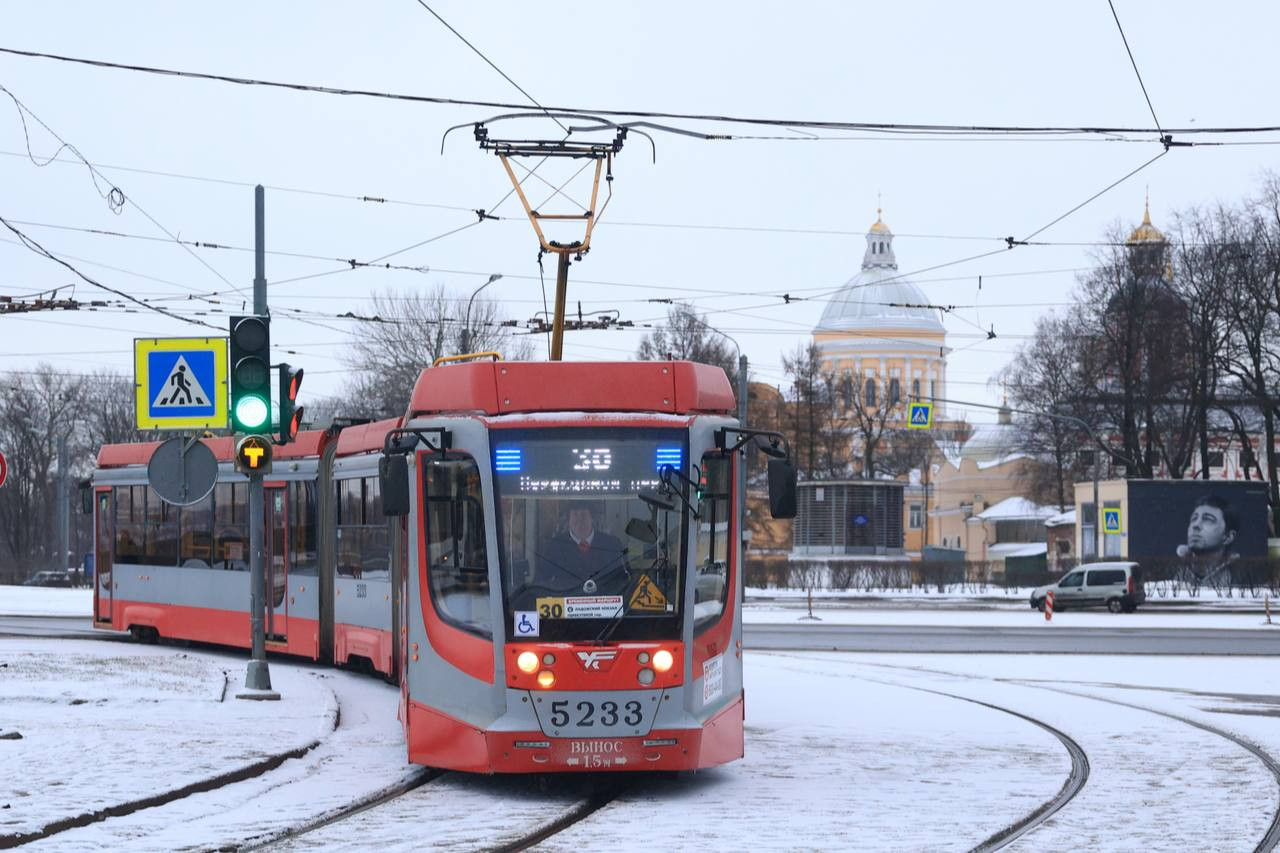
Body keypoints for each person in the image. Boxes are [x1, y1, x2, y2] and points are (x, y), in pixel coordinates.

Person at [535, 500, 628, 596]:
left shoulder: (611, 544)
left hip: (606, 605)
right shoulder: (554, 546)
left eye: (583, 515)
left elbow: (622, 579)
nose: (579, 520)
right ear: (569, 520)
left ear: (592, 518)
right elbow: (540, 581)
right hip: (565, 605)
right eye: (575, 515)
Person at [1175, 494, 1239, 589]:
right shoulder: (1169, 571)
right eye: (1194, 519)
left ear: (1228, 537)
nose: (1195, 525)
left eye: (1208, 519)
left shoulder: (1245, 577)